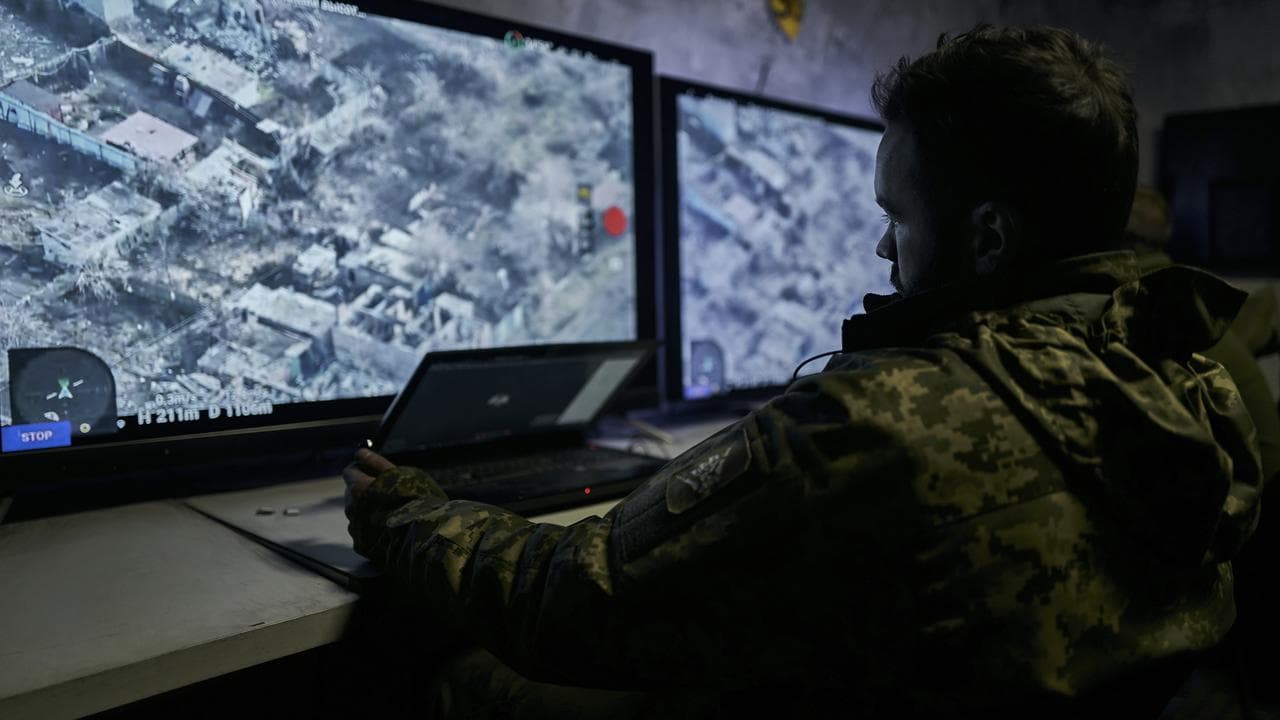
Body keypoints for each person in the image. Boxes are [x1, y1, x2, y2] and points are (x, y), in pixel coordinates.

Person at [346, 25, 1265, 718]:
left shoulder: (882, 419)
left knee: (443, 671)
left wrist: (407, 514)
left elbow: (574, 593)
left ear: (988, 235)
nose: (881, 246)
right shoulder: (1199, 364)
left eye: (897, 218)